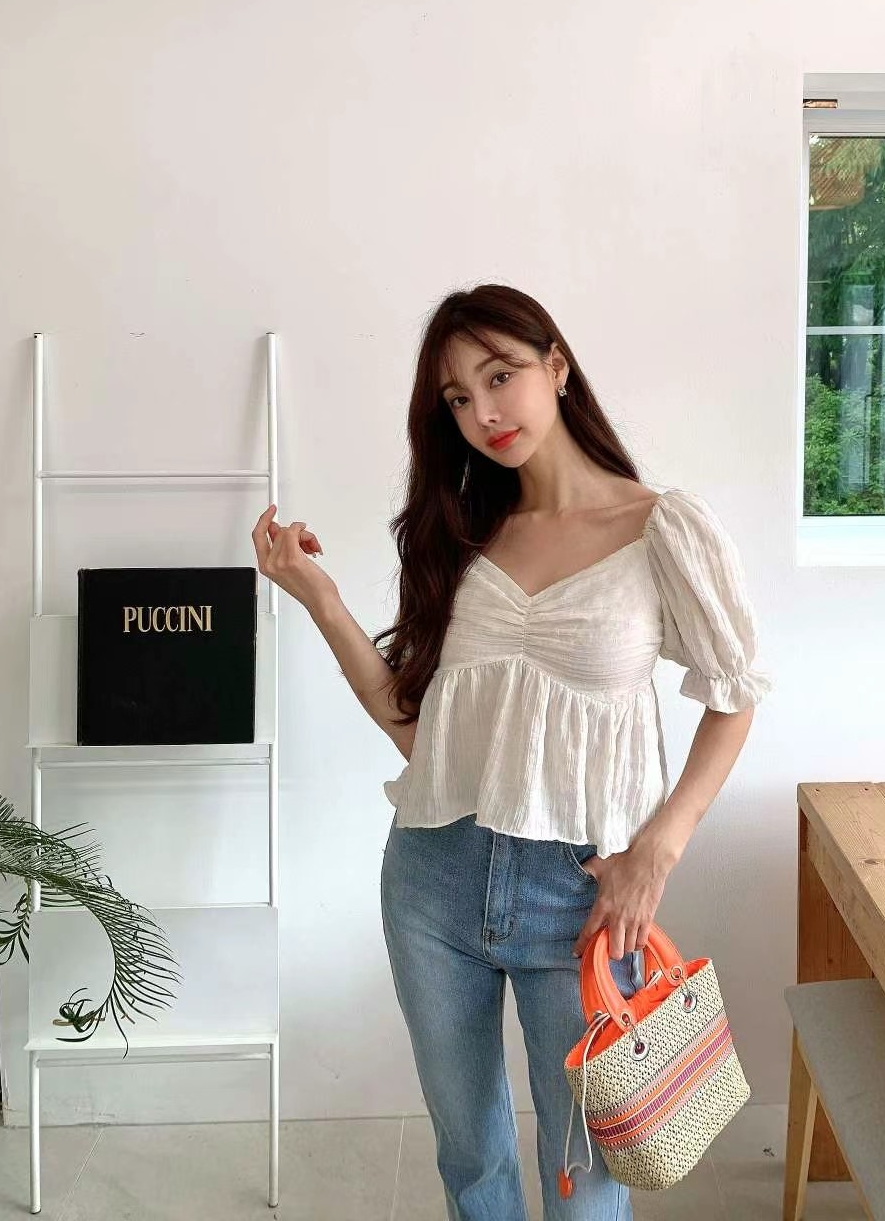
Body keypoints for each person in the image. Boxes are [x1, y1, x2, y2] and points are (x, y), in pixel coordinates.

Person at [251, 283, 773, 1221]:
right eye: (458, 398)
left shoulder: (660, 528)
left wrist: (656, 852)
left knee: (585, 1176)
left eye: (500, 377)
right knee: (471, 1159)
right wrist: (318, 596)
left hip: (581, 895)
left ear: (557, 367)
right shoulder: (466, 533)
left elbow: (734, 698)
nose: (483, 413)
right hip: (433, 877)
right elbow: (418, 733)